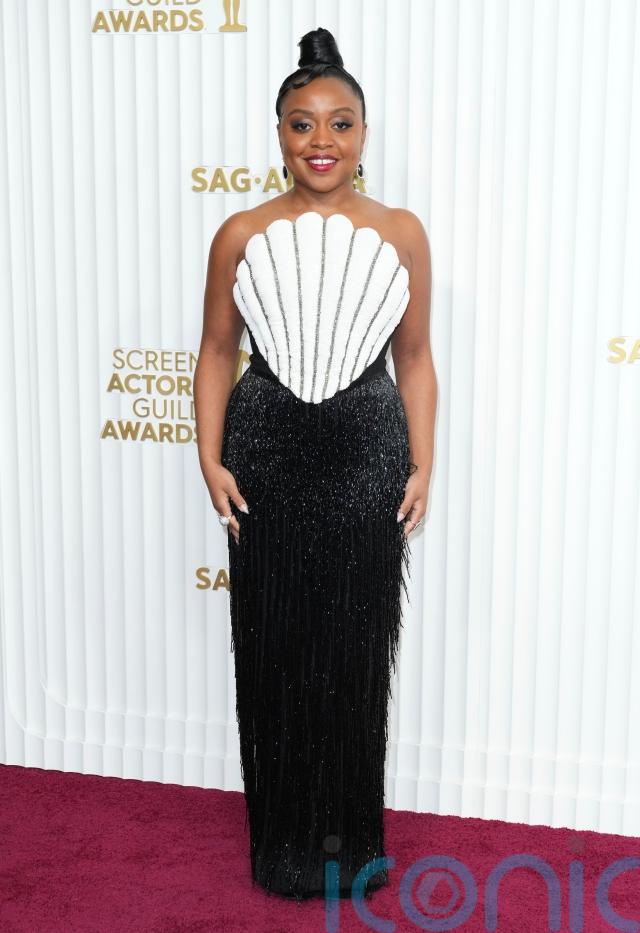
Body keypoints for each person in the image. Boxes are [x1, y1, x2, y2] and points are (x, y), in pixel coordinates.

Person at [194, 26, 436, 902]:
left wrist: (421, 464)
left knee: (355, 653)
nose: (321, 141)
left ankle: (352, 846)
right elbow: (216, 352)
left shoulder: (403, 232)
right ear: (280, 135)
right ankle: (285, 849)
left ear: (364, 134)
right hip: (266, 451)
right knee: (275, 648)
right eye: (302, 124)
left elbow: (415, 358)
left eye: (340, 123)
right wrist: (209, 457)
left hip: (368, 451)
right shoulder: (240, 231)